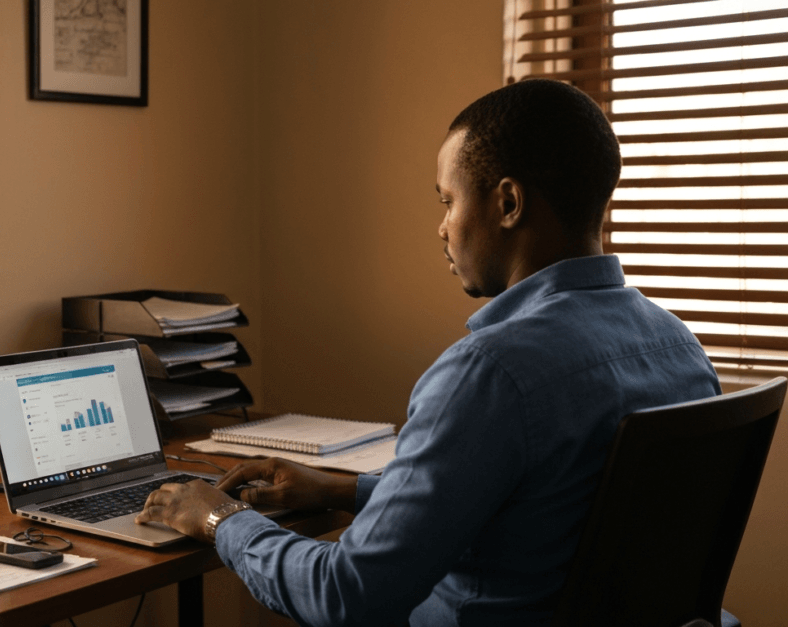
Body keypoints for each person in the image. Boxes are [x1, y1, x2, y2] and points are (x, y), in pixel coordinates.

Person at [134, 79, 722, 626]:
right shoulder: (679, 347)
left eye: (448, 200)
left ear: (508, 204)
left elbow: (345, 596)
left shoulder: (491, 372)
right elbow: (542, 502)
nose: (443, 228)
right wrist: (344, 489)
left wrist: (219, 518)